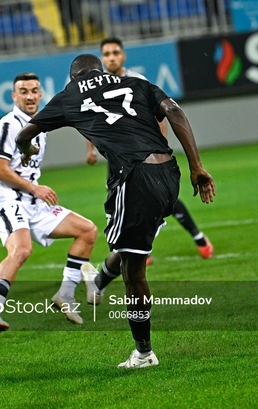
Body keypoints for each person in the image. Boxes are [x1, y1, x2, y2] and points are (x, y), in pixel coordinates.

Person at [16, 54, 216, 368]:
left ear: (74, 78)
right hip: (170, 176)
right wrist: (197, 167)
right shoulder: (135, 81)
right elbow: (174, 111)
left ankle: (144, 353)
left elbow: (23, 135)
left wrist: (28, 152)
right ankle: (97, 282)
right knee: (127, 245)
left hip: (135, 179)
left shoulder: (70, 95)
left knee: (134, 274)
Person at [87, 37, 214, 267]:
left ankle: (197, 237)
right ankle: (136, 249)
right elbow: (93, 120)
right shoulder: (97, 86)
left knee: (162, 199)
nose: (112, 57)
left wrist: (158, 146)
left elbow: (160, 115)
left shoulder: (137, 81)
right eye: (106, 54)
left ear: (123, 55)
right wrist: (91, 150)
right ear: (102, 58)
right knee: (120, 204)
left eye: (115, 52)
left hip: (145, 153)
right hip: (118, 157)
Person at [0, 72, 99, 329]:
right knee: (22, 250)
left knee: (87, 231)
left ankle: (65, 294)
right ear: (14, 97)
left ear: (40, 94)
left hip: (33, 202)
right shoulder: (8, 126)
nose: (30, 96)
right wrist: (34, 188)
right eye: (23, 91)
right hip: (8, 199)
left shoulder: (40, 125)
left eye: (34, 90)